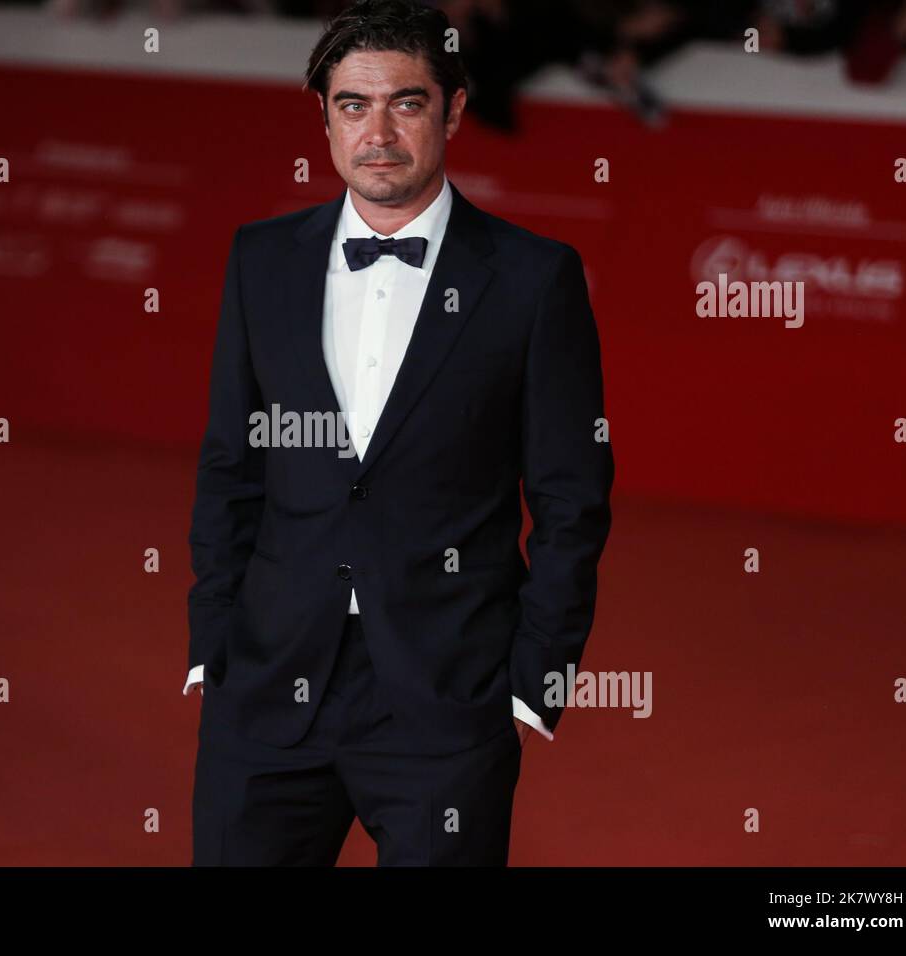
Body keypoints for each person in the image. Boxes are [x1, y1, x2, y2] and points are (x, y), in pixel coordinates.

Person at [184, 0, 613, 865]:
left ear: (454, 110)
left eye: (406, 103)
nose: (377, 132)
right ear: (325, 117)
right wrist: (214, 643)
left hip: (446, 702)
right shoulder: (261, 260)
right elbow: (232, 464)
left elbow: (572, 499)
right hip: (267, 690)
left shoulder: (533, 279)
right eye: (353, 105)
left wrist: (535, 683)